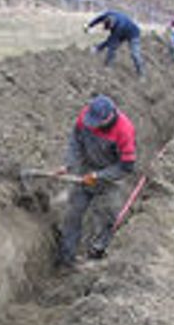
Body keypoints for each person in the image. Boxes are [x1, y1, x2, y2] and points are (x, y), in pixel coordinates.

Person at [55, 95, 136, 266]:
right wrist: (69, 164)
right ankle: (66, 259)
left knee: (108, 215)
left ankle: (96, 254)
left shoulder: (124, 130)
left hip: (110, 177)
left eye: (96, 123)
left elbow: (126, 166)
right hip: (85, 171)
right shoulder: (86, 116)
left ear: (108, 117)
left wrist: (99, 176)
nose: (91, 125)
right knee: (73, 214)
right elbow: (75, 142)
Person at [85, 10, 146, 77]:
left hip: (133, 34)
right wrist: (89, 25)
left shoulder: (119, 27)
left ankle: (142, 74)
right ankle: (108, 66)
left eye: (109, 28)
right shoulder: (107, 14)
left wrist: (97, 48)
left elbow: (110, 41)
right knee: (112, 48)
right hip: (122, 30)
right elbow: (98, 19)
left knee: (135, 54)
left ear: (112, 25)